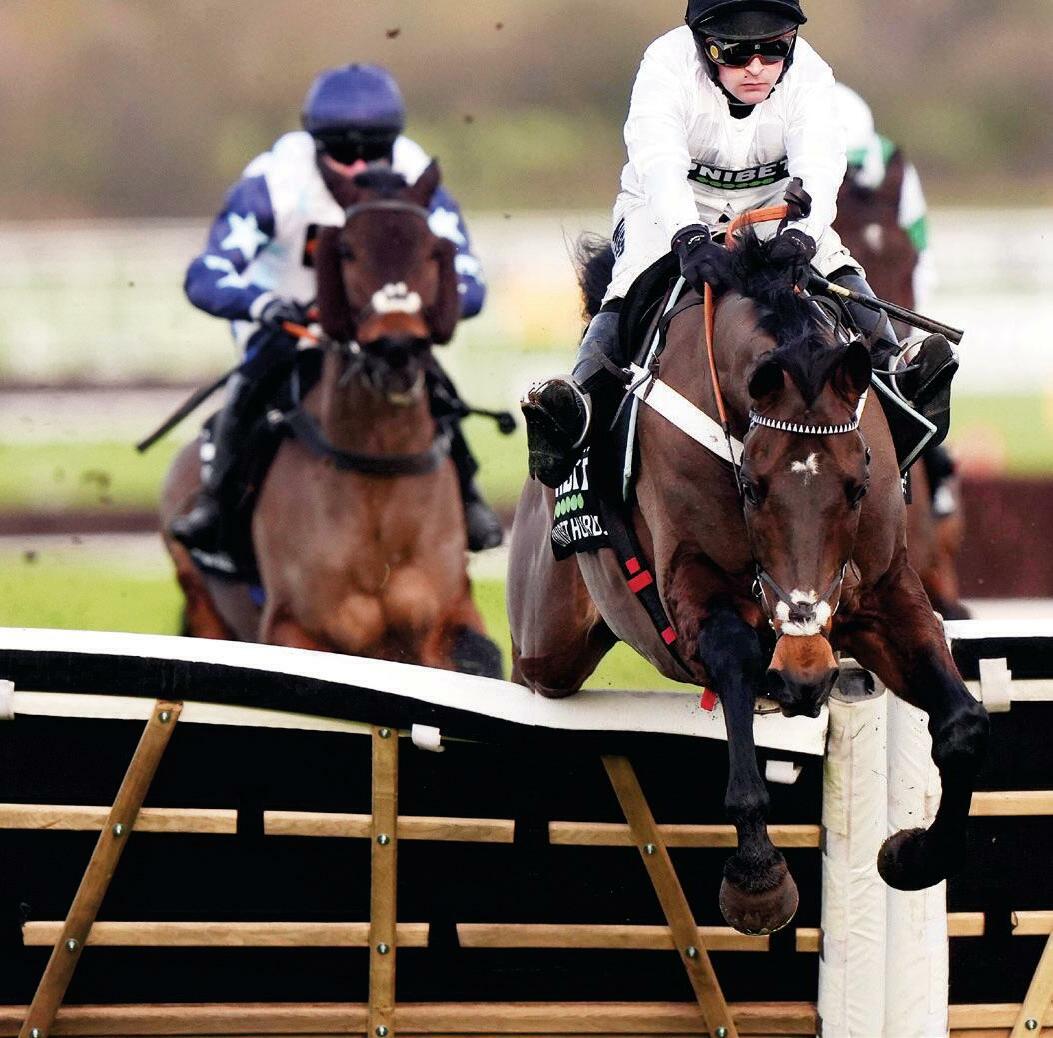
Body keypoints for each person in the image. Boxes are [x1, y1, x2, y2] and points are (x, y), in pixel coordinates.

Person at [524, 0, 958, 488]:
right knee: (628, 285)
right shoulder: (664, 64)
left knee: (835, 264)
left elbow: (820, 161)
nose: (756, 68)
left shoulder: (811, 72)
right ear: (704, 46)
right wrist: (686, 236)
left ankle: (897, 370)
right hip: (667, 205)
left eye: (773, 50)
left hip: (772, 205)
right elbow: (658, 160)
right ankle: (576, 403)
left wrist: (801, 234)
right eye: (736, 52)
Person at [171, 63, 503, 554]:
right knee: (255, 381)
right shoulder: (275, 181)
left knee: (433, 384)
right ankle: (217, 504)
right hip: (290, 323)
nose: (360, 166)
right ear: (317, 147)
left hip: (375, 324)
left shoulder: (416, 181)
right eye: (344, 153)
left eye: (376, 151)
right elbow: (205, 275)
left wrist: (418, 307)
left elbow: (469, 281)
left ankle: (468, 493)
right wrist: (261, 304)